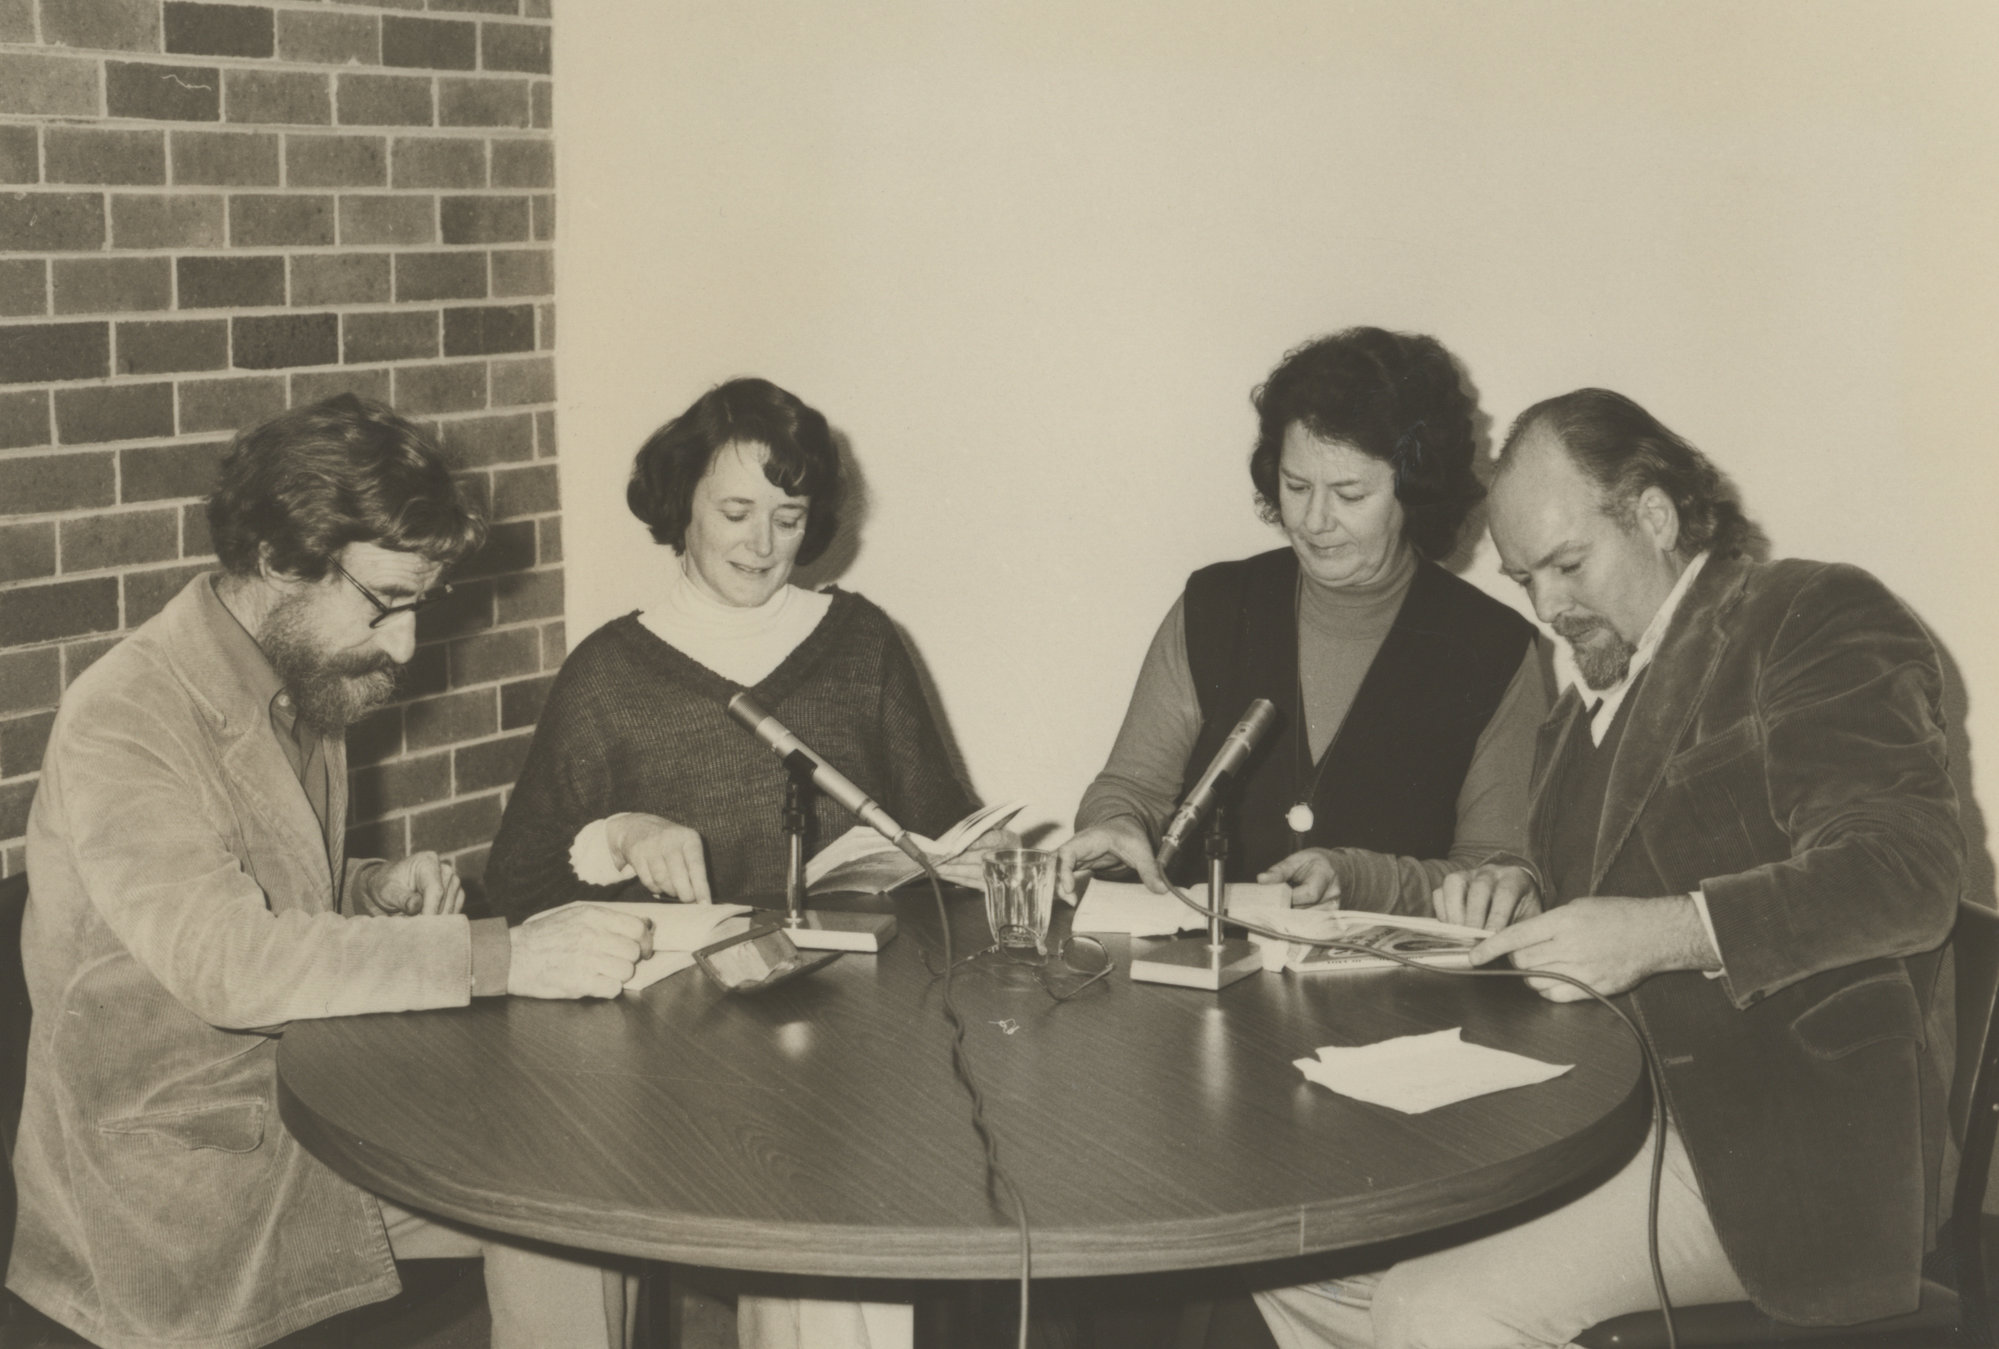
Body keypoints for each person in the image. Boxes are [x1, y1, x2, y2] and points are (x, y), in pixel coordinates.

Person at [1255, 388, 1962, 1347]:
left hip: (1781, 1149)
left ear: (1656, 515)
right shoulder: (1583, 704)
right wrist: (1385, 880)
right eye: (1523, 580)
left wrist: (1666, 931)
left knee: (1434, 1308)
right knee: (1303, 1260)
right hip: (1603, 1114)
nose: (1547, 608)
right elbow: (1563, 891)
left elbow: (1903, 873)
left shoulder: (1809, 614)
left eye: (1567, 565)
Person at [9, 395, 656, 1349]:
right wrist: (502, 954)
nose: (403, 645)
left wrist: (367, 890)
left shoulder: (297, 666)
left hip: (309, 1109)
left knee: (568, 1184)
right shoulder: (125, 713)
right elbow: (229, 961)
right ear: (280, 560)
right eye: (385, 604)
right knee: (550, 1189)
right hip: (184, 1181)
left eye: (416, 606)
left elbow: (244, 876)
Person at [485, 375, 979, 1349]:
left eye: (787, 516)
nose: (760, 544)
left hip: (836, 1044)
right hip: (651, 1055)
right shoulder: (610, 671)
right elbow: (519, 892)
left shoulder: (862, 643)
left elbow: (942, 844)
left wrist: (947, 858)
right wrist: (615, 832)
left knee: (844, 1234)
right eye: (736, 512)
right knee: (548, 1202)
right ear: (683, 510)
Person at [1057, 327, 1548, 915]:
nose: (1314, 520)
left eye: (1349, 494)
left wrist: (1362, 879)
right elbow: (1130, 789)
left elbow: (1496, 872)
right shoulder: (1214, 603)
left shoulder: (1494, 648)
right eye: (1296, 486)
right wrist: (1116, 826)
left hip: (1391, 994)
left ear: (1415, 492)